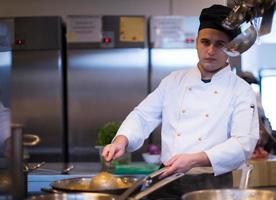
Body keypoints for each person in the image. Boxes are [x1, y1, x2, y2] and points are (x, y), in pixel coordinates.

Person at [102, 4, 259, 199]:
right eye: (205, 42)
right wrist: (121, 140)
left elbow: (242, 144)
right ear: (196, 43)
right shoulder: (174, 81)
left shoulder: (241, 90)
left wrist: (194, 160)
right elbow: (143, 116)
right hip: (167, 177)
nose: (210, 50)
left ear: (231, 48)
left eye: (220, 44)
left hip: (211, 184)